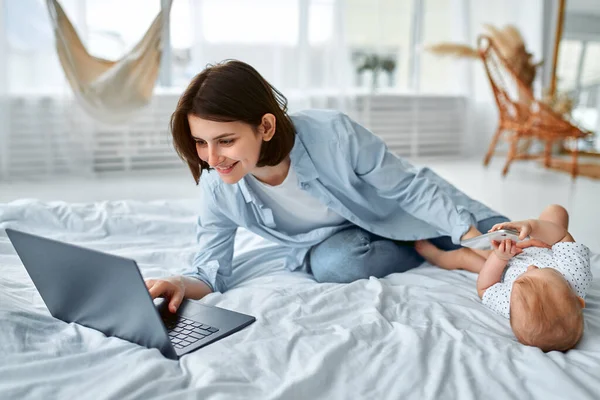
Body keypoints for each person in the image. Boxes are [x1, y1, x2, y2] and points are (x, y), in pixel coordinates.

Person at [145, 60, 508, 313]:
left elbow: (408, 190)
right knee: (334, 266)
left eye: (225, 141)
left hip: (397, 206)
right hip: (344, 243)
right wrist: (178, 283)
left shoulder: (332, 133)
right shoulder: (218, 188)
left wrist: (470, 233)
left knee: (511, 243)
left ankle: (441, 243)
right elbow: (211, 271)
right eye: (201, 142)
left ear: (266, 127)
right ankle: (429, 250)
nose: (212, 158)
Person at [415, 204, 592, 352]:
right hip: (545, 244)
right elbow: (562, 236)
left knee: (465, 256)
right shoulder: (576, 275)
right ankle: (478, 237)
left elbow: (485, 286)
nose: (531, 266)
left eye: (525, 274)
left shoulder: (512, 305)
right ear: (578, 300)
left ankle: (437, 257)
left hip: (504, 264)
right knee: (557, 211)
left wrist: (500, 258)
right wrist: (532, 227)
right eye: (543, 269)